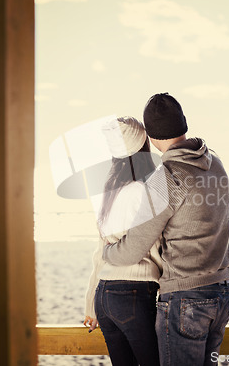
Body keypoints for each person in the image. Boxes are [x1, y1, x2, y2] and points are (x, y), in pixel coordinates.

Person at [103, 93, 229, 366]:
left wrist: (108, 253)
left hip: (186, 299)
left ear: (150, 137)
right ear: (184, 124)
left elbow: (134, 247)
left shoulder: (166, 178)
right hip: (222, 293)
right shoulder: (216, 164)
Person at [83, 116, 162, 366]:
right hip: (134, 293)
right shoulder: (142, 191)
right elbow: (155, 246)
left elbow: (100, 253)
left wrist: (90, 306)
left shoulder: (109, 193)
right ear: (143, 146)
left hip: (104, 295)